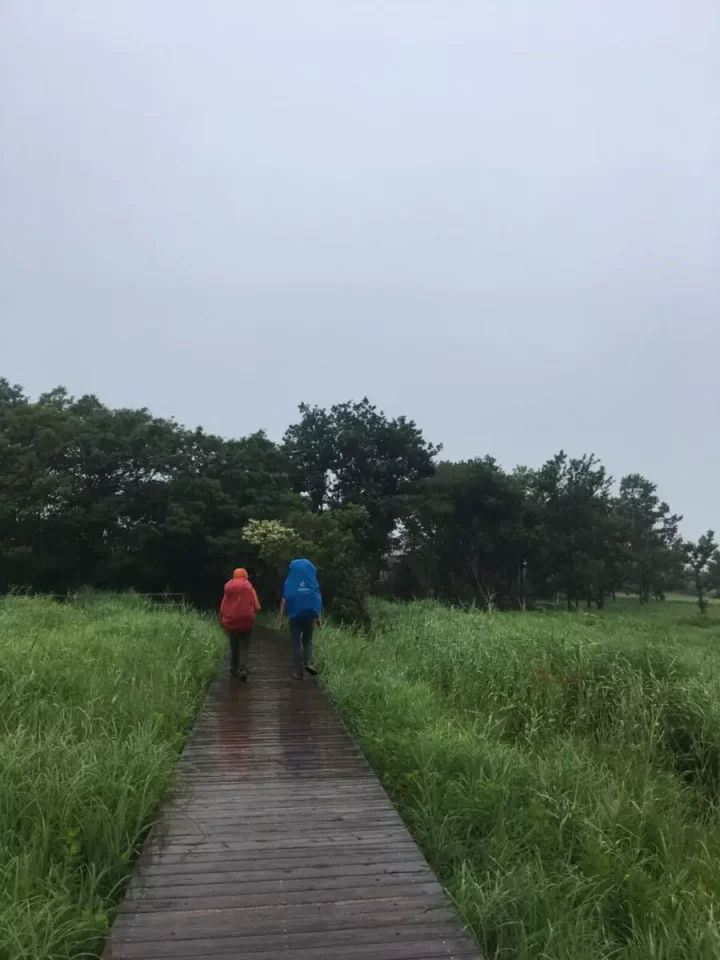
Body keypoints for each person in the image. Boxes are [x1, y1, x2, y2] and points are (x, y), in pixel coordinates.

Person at [278, 558, 322, 680]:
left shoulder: (289, 582)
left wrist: (281, 620)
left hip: (295, 618)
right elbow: (316, 598)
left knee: (296, 644)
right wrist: (318, 617)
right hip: (309, 616)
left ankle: (298, 673)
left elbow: (283, 601)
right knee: (308, 641)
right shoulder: (311, 581)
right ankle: (308, 663)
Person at [220, 568, 261, 680]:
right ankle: (243, 668)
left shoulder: (229, 589)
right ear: (245, 576)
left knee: (234, 646)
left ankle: (233, 669)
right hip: (246, 622)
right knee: (244, 646)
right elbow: (257, 606)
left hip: (231, 622)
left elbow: (222, 607)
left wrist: (223, 618)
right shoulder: (249, 588)